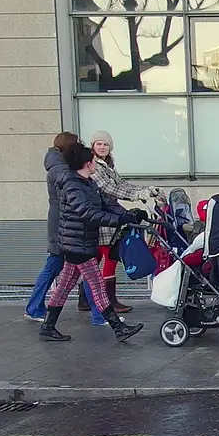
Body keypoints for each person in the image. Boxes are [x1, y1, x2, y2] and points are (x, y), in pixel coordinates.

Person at [40, 143, 145, 343]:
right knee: (97, 285)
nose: (95, 162)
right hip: (76, 243)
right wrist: (119, 220)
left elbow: (107, 204)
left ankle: (48, 326)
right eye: (93, 160)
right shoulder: (72, 185)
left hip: (82, 241)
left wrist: (129, 215)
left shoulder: (88, 183)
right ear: (87, 163)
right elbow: (87, 213)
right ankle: (118, 327)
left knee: (64, 286)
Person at [83, 130, 155, 326]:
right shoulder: (93, 167)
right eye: (98, 144)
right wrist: (138, 195)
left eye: (105, 144)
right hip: (102, 219)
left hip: (108, 216)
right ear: (92, 147)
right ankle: (104, 305)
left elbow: (122, 184)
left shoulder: (108, 165)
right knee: (100, 261)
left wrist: (142, 191)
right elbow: (110, 189)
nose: (102, 147)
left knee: (91, 265)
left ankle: (97, 304)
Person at [25, 131, 98, 322]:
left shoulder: (58, 166)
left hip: (62, 221)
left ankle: (38, 309)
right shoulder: (61, 170)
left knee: (63, 268)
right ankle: (100, 315)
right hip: (63, 223)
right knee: (68, 267)